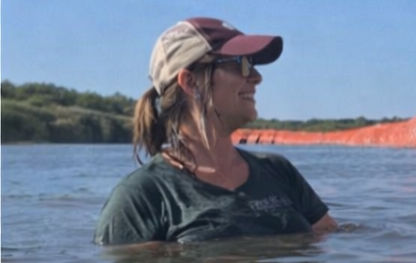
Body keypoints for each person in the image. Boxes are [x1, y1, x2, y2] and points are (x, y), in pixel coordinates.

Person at [96, 18, 338, 245]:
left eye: (251, 64)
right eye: (241, 64)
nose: (256, 77)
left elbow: (333, 245)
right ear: (190, 82)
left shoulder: (278, 171)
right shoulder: (140, 197)